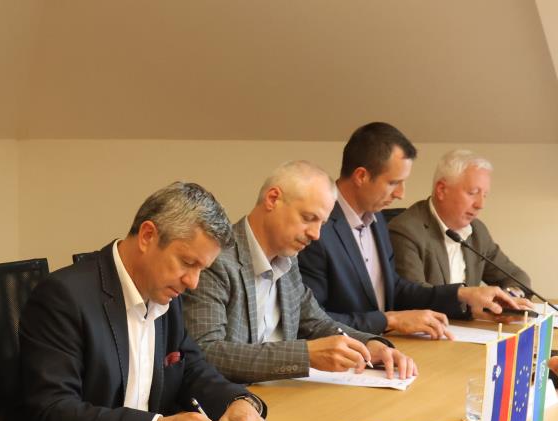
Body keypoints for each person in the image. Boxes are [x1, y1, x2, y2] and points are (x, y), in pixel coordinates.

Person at [16, 181, 296, 421]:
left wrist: (239, 402)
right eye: (187, 262)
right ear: (147, 236)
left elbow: (192, 369)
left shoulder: (165, 293)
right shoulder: (64, 296)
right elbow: (54, 412)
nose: (193, 282)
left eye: (201, 268)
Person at [185, 161, 416, 383]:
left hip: (283, 393)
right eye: (308, 218)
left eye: (321, 224)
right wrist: (305, 355)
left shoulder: (288, 260)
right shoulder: (216, 260)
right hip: (235, 400)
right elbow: (207, 352)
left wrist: (370, 344)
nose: (315, 234)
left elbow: (317, 322)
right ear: (272, 199)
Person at [298, 122, 529, 337]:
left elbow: (396, 289)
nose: (401, 194)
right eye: (393, 183)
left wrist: (461, 294)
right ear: (361, 176)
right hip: (348, 355)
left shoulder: (376, 218)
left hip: (389, 348)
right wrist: (388, 321)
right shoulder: (316, 229)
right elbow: (310, 321)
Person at [388, 149, 531, 292]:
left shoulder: (477, 231)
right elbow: (415, 295)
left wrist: (510, 298)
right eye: (473, 193)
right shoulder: (406, 230)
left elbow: (518, 277)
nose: (480, 205)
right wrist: (467, 298)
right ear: (442, 190)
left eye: (485, 195)